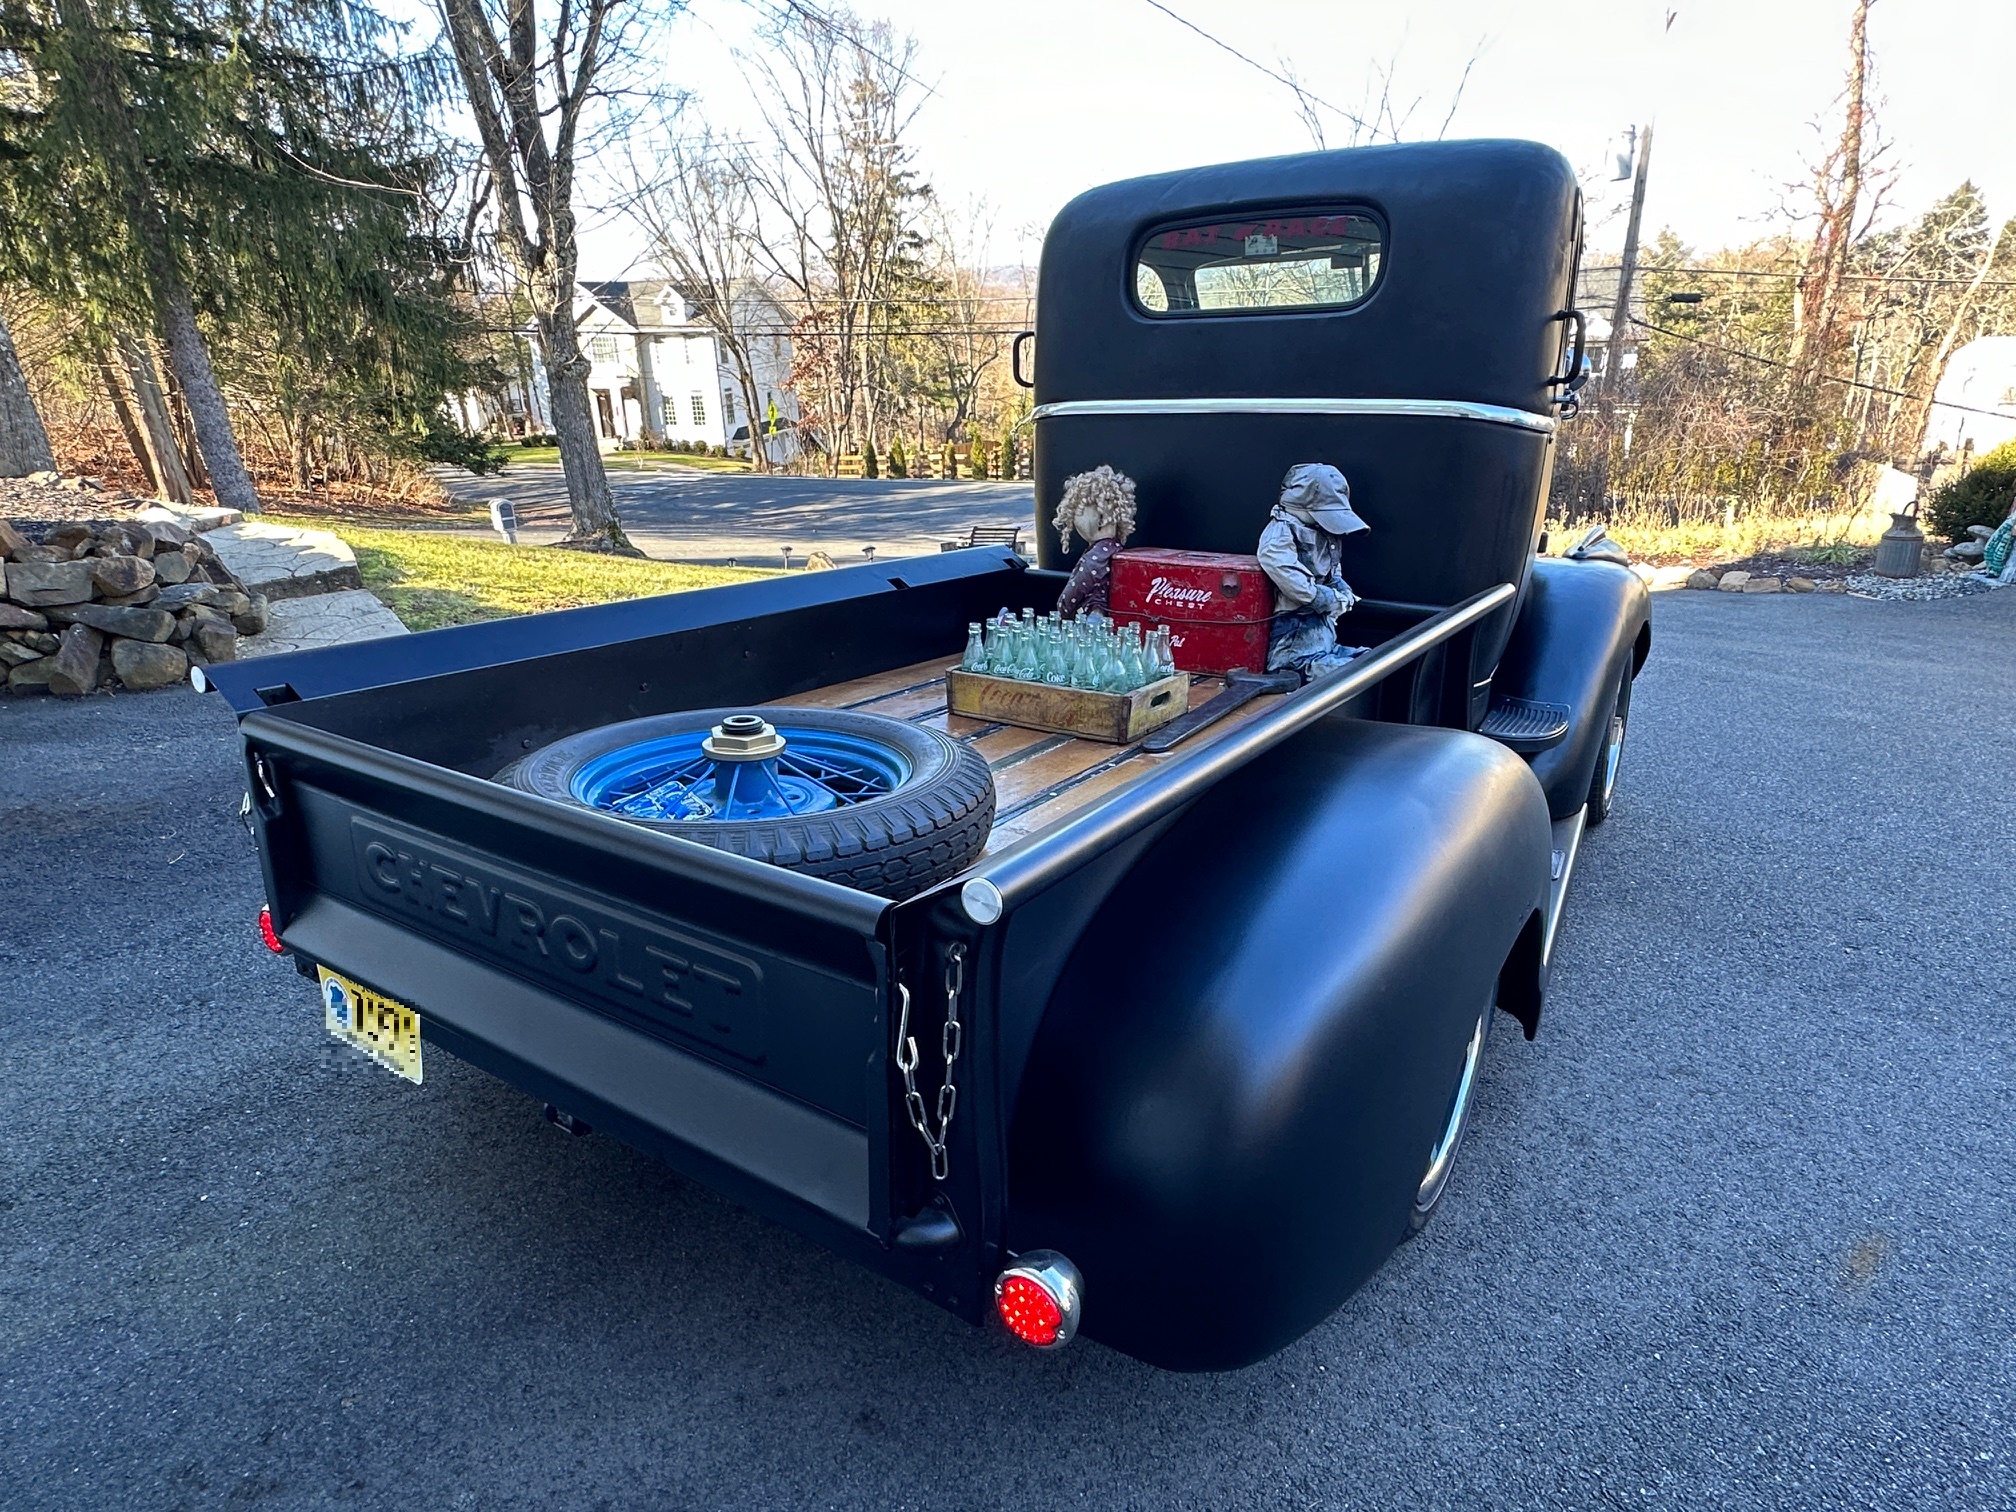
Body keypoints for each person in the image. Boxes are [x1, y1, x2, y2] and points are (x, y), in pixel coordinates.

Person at [1257, 462, 1369, 680]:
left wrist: (1339, 586)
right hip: (1295, 625)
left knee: (1366, 660)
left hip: (1322, 625)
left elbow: (1333, 565)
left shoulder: (1323, 531)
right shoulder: (1282, 530)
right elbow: (1277, 562)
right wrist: (1320, 596)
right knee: (1302, 666)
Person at [1053, 465, 1139, 617]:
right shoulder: (1115, 548)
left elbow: (1075, 589)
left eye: (1077, 513)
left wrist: (1062, 609)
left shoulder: (1096, 556)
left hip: (1093, 617)